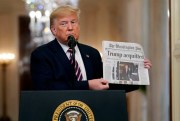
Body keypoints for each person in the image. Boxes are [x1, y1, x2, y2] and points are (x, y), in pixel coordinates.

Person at [30, 5, 152, 91]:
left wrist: (138, 71)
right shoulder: (42, 54)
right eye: (63, 23)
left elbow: (107, 83)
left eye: (74, 22)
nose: (70, 27)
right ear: (54, 30)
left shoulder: (92, 53)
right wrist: (87, 85)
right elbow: (45, 87)